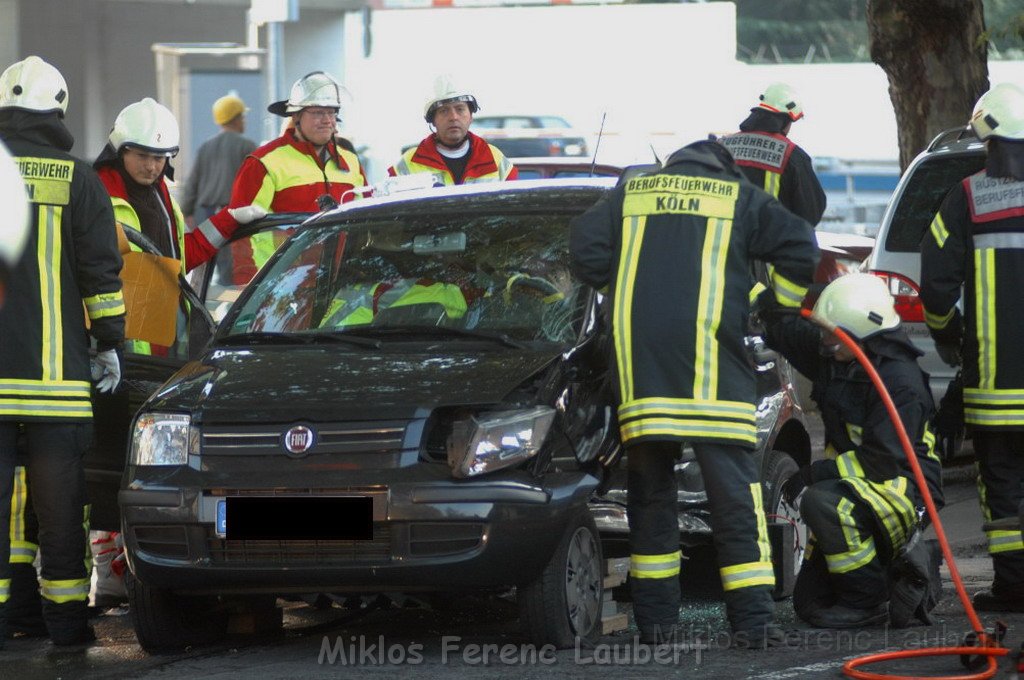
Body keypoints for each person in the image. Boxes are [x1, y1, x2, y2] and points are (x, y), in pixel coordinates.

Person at [569, 139, 819, 647]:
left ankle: (657, 625)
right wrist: (776, 308)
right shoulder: (735, 194)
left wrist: (626, 284)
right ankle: (751, 624)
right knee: (736, 500)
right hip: (715, 374)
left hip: (644, 375)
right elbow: (800, 248)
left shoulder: (631, 193)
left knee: (651, 496)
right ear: (721, 164)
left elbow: (583, 252)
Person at [0, 55, 126, 646]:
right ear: (58, 109)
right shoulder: (77, 179)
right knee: (59, 512)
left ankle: (8, 623)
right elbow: (101, 276)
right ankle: (70, 629)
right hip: (56, 386)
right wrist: (109, 343)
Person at [757, 273, 944, 628]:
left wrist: (813, 475)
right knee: (809, 602)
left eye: (831, 333)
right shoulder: (840, 358)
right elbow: (789, 333)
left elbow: (882, 461)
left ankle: (867, 599)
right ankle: (897, 574)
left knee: (821, 502)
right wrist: (753, 295)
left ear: (858, 330)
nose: (824, 341)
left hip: (905, 486)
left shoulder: (898, 383)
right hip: (863, 483)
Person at [919, 82, 1024, 612]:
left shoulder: (967, 197)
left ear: (987, 137)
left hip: (995, 384)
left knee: (1003, 488)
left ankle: (1014, 587)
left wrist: (950, 337)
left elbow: (935, 287)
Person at [208, 70, 368, 278]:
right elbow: (241, 236)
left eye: (332, 112)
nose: (328, 120)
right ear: (296, 116)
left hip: (342, 283)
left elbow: (365, 226)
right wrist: (251, 291)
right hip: (283, 289)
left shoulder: (351, 161)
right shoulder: (264, 162)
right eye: (318, 112)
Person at [94, 97, 264, 275]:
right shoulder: (97, 196)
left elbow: (181, 258)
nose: (151, 167)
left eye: (159, 158)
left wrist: (229, 218)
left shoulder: (161, 196)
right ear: (120, 152)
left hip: (167, 301)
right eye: (142, 156)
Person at [719, 82, 827, 226]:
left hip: (725, 242)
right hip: (771, 245)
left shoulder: (721, 147)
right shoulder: (792, 155)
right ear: (787, 120)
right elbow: (811, 211)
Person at [388, 75, 518, 185]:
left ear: (471, 116)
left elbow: (515, 208)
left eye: (460, 109)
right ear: (432, 120)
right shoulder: (407, 164)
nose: (453, 117)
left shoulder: (495, 159)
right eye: (444, 111)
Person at [179, 93, 257, 226]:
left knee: (208, 247)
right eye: (243, 117)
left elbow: (192, 184)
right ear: (236, 119)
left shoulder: (205, 147)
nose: (244, 121)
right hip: (236, 216)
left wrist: (186, 212)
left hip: (205, 216)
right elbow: (257, 182)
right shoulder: (247, 146)